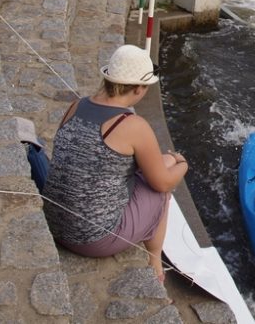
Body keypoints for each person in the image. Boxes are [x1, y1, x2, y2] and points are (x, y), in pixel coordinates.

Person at [42, 45, 189, 283]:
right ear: (139, 88)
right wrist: (182, 164)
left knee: (158, 165)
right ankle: (155, 265)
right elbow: (162, 183)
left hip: (54, 223)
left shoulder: (76, 105)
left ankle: (169, 160)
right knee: (162, 191)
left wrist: (167, 159)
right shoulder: (133, 125)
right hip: (92, 238)